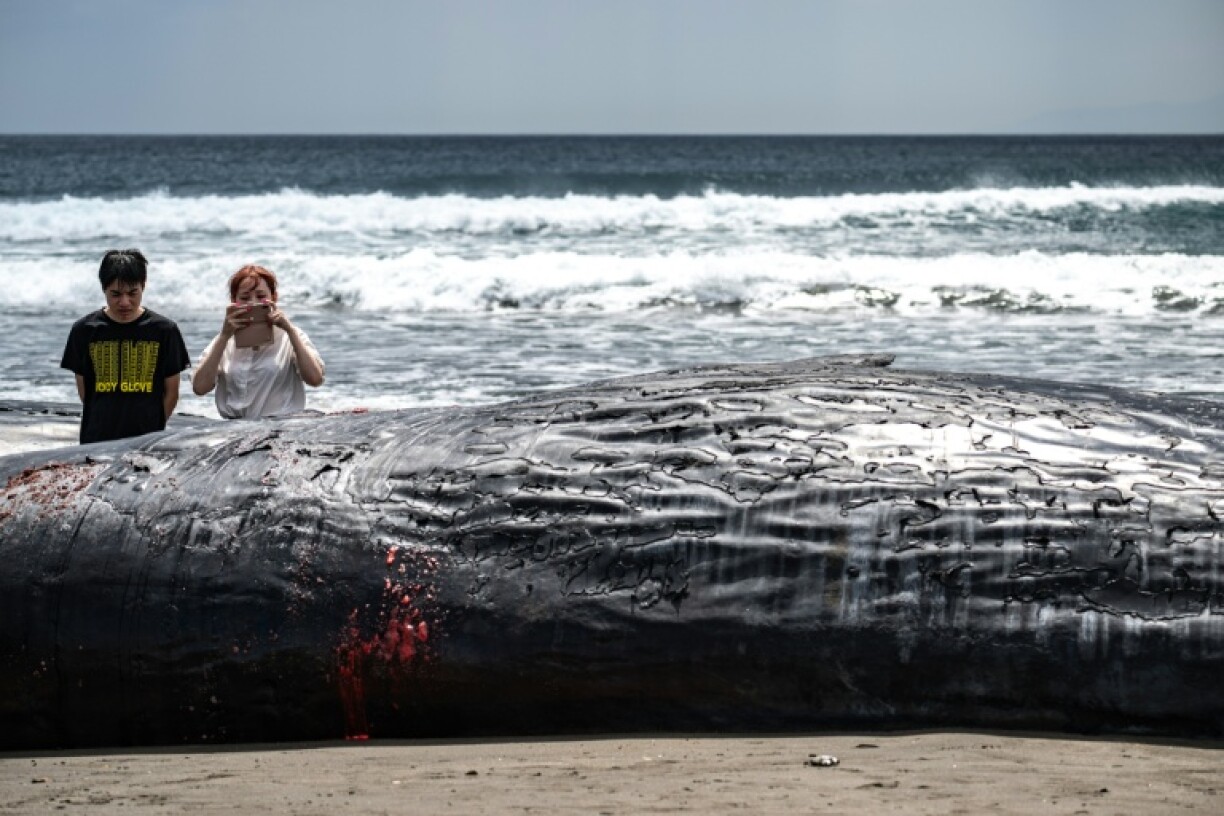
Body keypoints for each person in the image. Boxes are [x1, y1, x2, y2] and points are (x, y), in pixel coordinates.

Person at [60, 249, 191, 444]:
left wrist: (153, 428)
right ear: (104, 289)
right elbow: (85, 391)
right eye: (115, 294)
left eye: (132, 293)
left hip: (147, 440)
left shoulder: (164, 330)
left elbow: (171, 393)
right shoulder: (84, 330)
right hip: (96, 439)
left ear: (143, 287)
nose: (124, 302)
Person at [191, 264, 325, 418]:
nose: (253, 303)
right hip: (235, 427)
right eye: (245, 298)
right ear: (234, 300)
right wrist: (224, 336)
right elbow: (200, 388)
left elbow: (315, 379)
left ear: (274, 297)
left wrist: (289, 330)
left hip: (281, 428)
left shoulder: (290, 336)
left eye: (261, 297)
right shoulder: (224, 340)